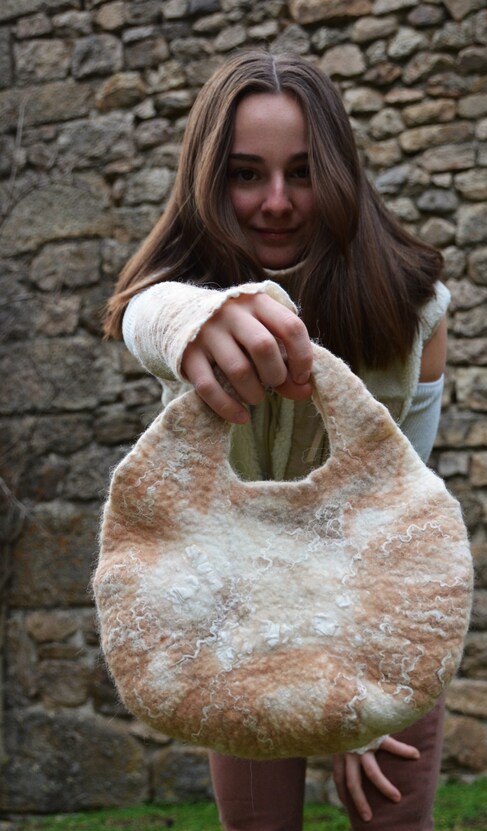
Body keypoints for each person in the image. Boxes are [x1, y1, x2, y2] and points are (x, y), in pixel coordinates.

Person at [104, 50, 450, 831]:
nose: (277, 202)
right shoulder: (180, 297)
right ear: (208, 180)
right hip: (242, 628)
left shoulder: (416, 309)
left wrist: (362, 688)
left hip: (381, 613)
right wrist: (194, 320)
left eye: (301, 171)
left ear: (339, 170)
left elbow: (400, 491)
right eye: (245, 173)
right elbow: (143, 315)